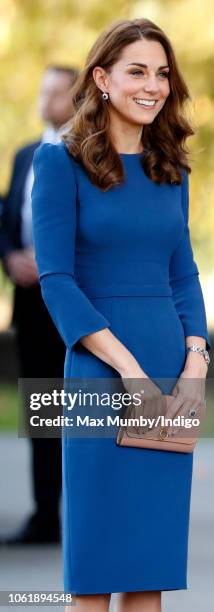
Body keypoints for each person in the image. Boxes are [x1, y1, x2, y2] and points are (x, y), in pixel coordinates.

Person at [31, 18, 211, 612]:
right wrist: (129, 370)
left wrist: (195, 360)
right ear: (102, 79)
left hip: (169, 370)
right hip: (99, 373)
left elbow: (182, 274)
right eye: (137, 71)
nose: (153, 85)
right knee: (96, 565)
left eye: (162, 74)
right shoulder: (59, 163)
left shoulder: (172, 170)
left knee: (148, 566)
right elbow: (56, 281)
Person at [0, 65, 78, 545]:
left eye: (55, 91)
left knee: (87, 411)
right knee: (42, 407)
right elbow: (8, 216)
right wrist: (10, 257)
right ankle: (45, 514)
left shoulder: (94, 153)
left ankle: (92, 514)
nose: (44, 99)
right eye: (42, 89)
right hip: (31, 303)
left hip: (76, 300)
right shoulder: (26, 153)